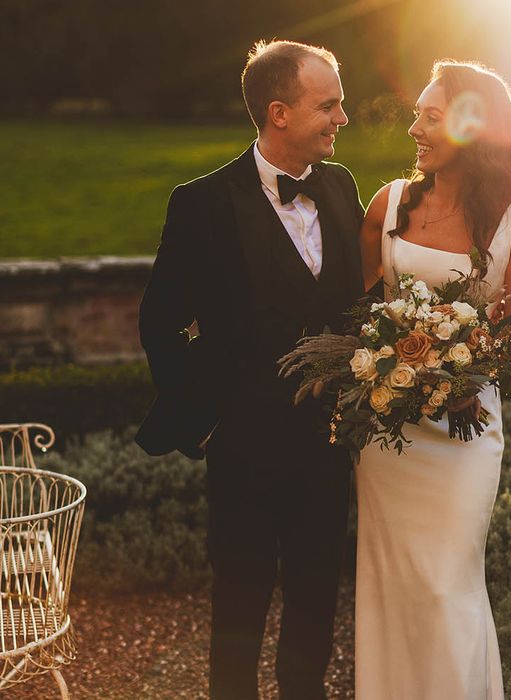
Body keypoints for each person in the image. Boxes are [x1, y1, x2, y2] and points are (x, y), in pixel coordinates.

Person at [135, 39, 364, 699]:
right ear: (279, 112)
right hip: (242, 444)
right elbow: (165, 319)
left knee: (317, 591)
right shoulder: (202, 203)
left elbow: (356, 302)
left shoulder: (343, 186)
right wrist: (207, 409)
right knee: (241, 597)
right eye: (329, 105)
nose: (342, 118)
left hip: (326, 443)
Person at [356, 59, 511, 698]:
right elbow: (356, 316)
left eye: (431, 116)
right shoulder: (387, 206)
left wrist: (451, 369)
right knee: (392, 584)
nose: (414, 127)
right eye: (417, 113)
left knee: (448, 584)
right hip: (389, 433)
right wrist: (396, 367)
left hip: (464, 433)